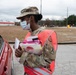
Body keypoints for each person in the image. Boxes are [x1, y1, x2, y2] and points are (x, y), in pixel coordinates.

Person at [15, 6, 58, 75]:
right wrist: (21, 50)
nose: (21, 22)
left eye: (22, 19)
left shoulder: (46, 35)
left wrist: (23, 55)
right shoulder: (29, 34)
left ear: (31, 18)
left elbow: (47, 61)